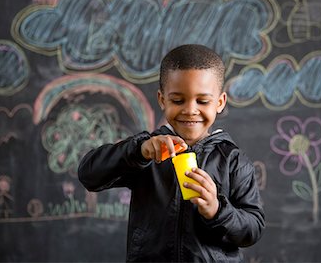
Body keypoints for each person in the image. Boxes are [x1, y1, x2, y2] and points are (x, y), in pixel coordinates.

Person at [78, 44, 265, 262]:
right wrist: (138, 151)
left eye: (202, 101)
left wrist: (217, 210)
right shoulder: (148, 153)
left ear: (220, 102)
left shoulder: (233, 160)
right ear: (162, 99)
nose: (190, 110)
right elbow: (89, 175)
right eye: (178, 100)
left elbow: (253, 228)